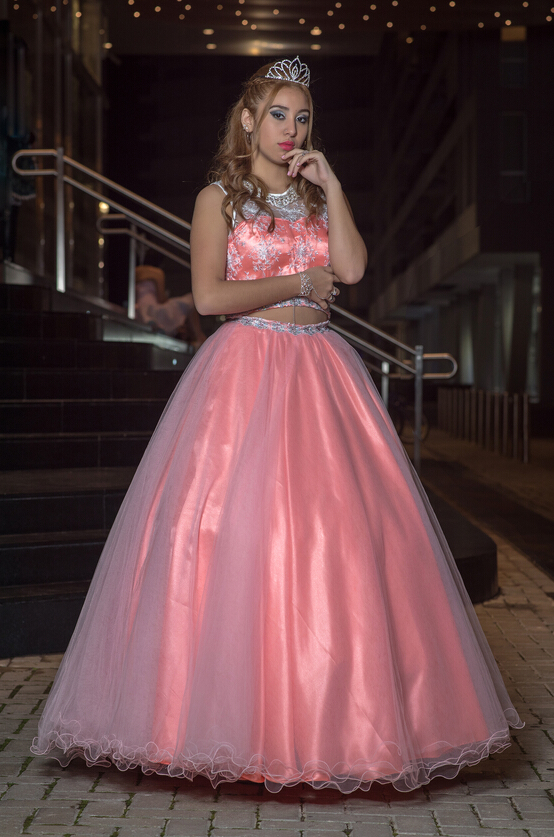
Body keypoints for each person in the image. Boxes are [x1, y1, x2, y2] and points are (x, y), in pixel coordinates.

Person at [31, 57, 522, 794]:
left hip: (322, 371)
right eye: (279, 115)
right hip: (245, 373)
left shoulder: (317, 199)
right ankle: (228, 726)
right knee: (240, 537)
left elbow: (352, 269)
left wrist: (334, 186)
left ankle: (337, 725)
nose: (292, 129)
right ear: (249, 121)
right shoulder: (217, 199)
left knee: (337, 542)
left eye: (303, 118)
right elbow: (207, 297)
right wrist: (295, 281)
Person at [134, 264, 206, 347]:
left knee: (186, 305)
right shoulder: (157, 273)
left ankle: (197, 338)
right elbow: (161, 299)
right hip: (153, 311)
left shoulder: (136, 271)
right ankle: (198, 337)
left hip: (141, 310)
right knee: (190, 301)